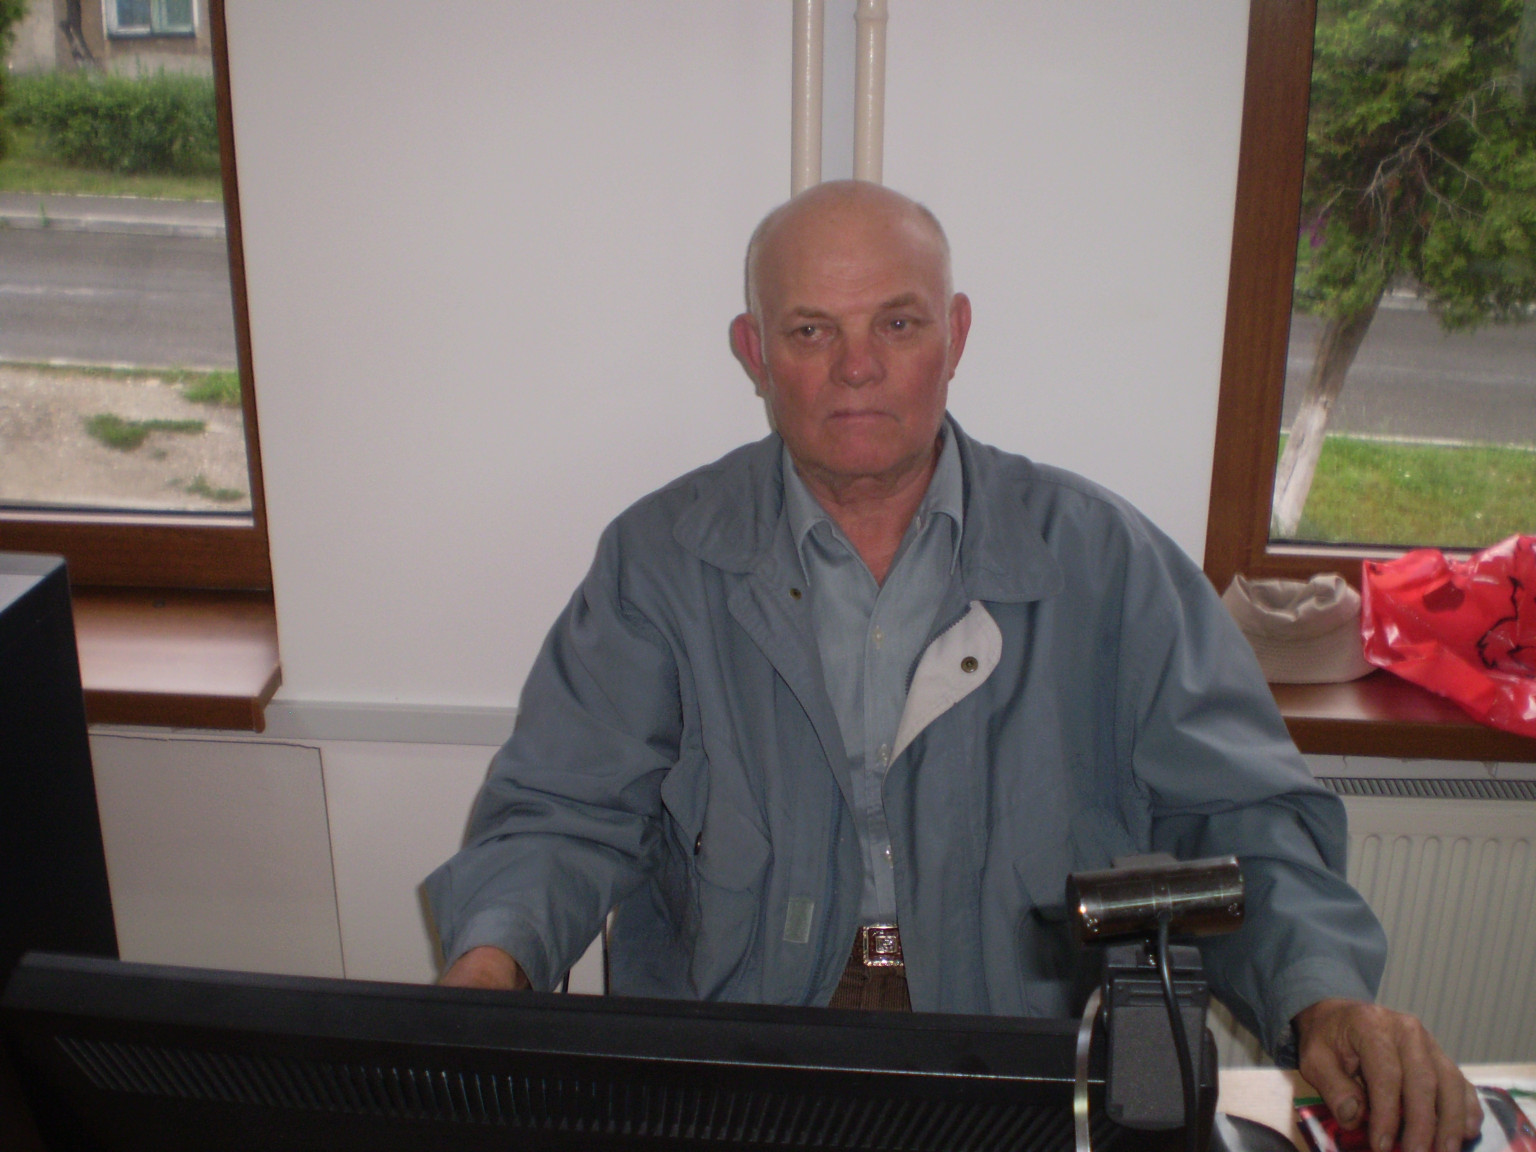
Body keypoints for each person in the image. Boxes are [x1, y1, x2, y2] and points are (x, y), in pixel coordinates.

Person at [425, 181, 1479, 1152]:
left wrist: (1324, 996)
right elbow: (564, 810)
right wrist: (490, 968)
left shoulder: (1103, 561)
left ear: (956, 333)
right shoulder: (662, 561)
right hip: (740, 1061)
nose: (856, 366)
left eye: (897, 322)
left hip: (1027, 1063)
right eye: (811, 330)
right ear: (755, 352)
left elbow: (1243, 819)